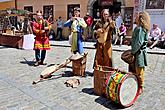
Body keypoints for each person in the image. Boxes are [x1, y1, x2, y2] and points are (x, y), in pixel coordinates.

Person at [130, 11, 150, 95]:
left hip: (139, 54)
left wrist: (132, 52)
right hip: (137, 52)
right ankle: (136, 85)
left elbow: (139, 43)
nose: (135, 17)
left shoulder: (140, 29)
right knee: (136, 70)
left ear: (141, 19)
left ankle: (140, 87)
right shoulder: (139, 28)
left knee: (139, 71)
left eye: (137, 16)